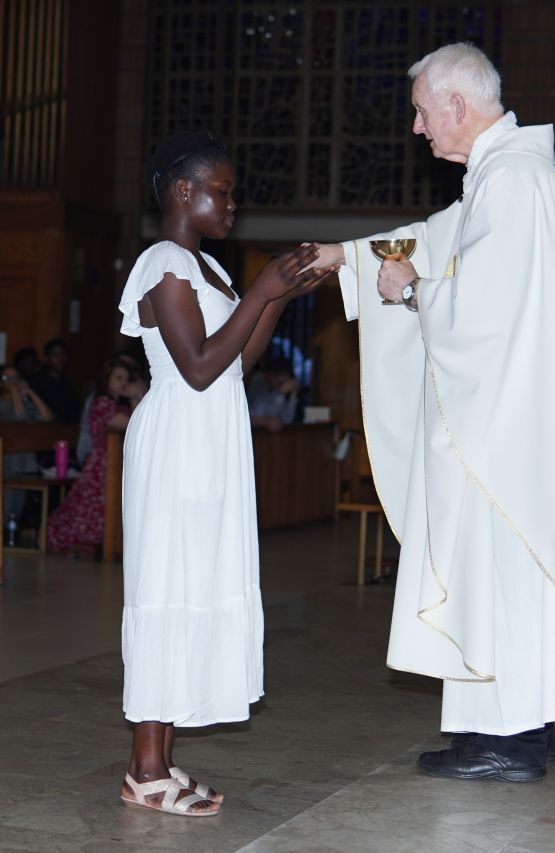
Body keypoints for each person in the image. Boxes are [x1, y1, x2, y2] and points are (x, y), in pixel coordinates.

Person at [308, 43, 555, 782]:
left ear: (457, 102)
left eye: (422, 111)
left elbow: (479, 307)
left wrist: (411, 292)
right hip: (504, 419)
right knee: (500, 574)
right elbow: (433, 239)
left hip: (499, 428)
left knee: (497, 571)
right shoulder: (505, 175)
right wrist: (345, 257)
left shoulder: (513, 180)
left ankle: (510, 741)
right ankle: (514, 727)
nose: (418, 128)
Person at [118, 129, 333, 818]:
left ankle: (158, 760)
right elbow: (198, 366)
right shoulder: (162, 262)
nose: (233, 203)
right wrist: (261, 287)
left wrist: (277, 296)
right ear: (184, 191)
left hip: (212, 437)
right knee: (165, 587)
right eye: (223, 191)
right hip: (178, 437)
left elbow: (238, 362)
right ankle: (144, 768)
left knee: (195, 585)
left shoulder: (207, 268)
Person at [46, 358, 137, 551]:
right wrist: (134, 395)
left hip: (117, 462)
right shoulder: (101, 402)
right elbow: (131, 423)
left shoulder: (120, 405)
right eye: (119, 378)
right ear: (107, 380)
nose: (124, 383)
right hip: (102, 464)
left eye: (126, 379)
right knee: (93, 507)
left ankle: (110, 543)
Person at [0, 365, 54, 524]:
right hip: (6, 464)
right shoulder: (2, 405)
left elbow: (48, 417)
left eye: (15, 378)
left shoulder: (25, 402)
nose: (12, 382)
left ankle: (12, 534)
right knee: (5, 508)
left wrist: (30, 392)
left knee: (16, 511)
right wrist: (15, 391)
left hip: (25, 464)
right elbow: (20, 418)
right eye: (7, 378)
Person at [29, 338, 80, 422]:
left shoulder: (67, 382)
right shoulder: (37, 381)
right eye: (55, 355)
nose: (60, 359)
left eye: (63, 354)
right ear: (46, 358)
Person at [246, 356, 300, 431]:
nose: (283, 386)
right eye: (280, 382)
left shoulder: (276, 390)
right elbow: (271, 415)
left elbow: (287, 419)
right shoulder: (257, 383)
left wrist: (293, 394)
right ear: (270, 375)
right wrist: (281, 393)